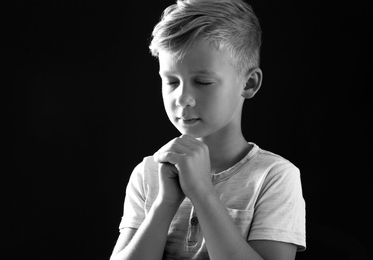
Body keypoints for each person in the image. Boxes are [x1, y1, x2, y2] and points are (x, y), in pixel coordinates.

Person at [111, 0, 306, 259]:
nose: (182, 98)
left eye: (202, 82)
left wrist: (201, 191)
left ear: (249, 83)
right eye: (171, 81)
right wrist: (165, 202)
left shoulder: (274, 177)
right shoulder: (148, 173)